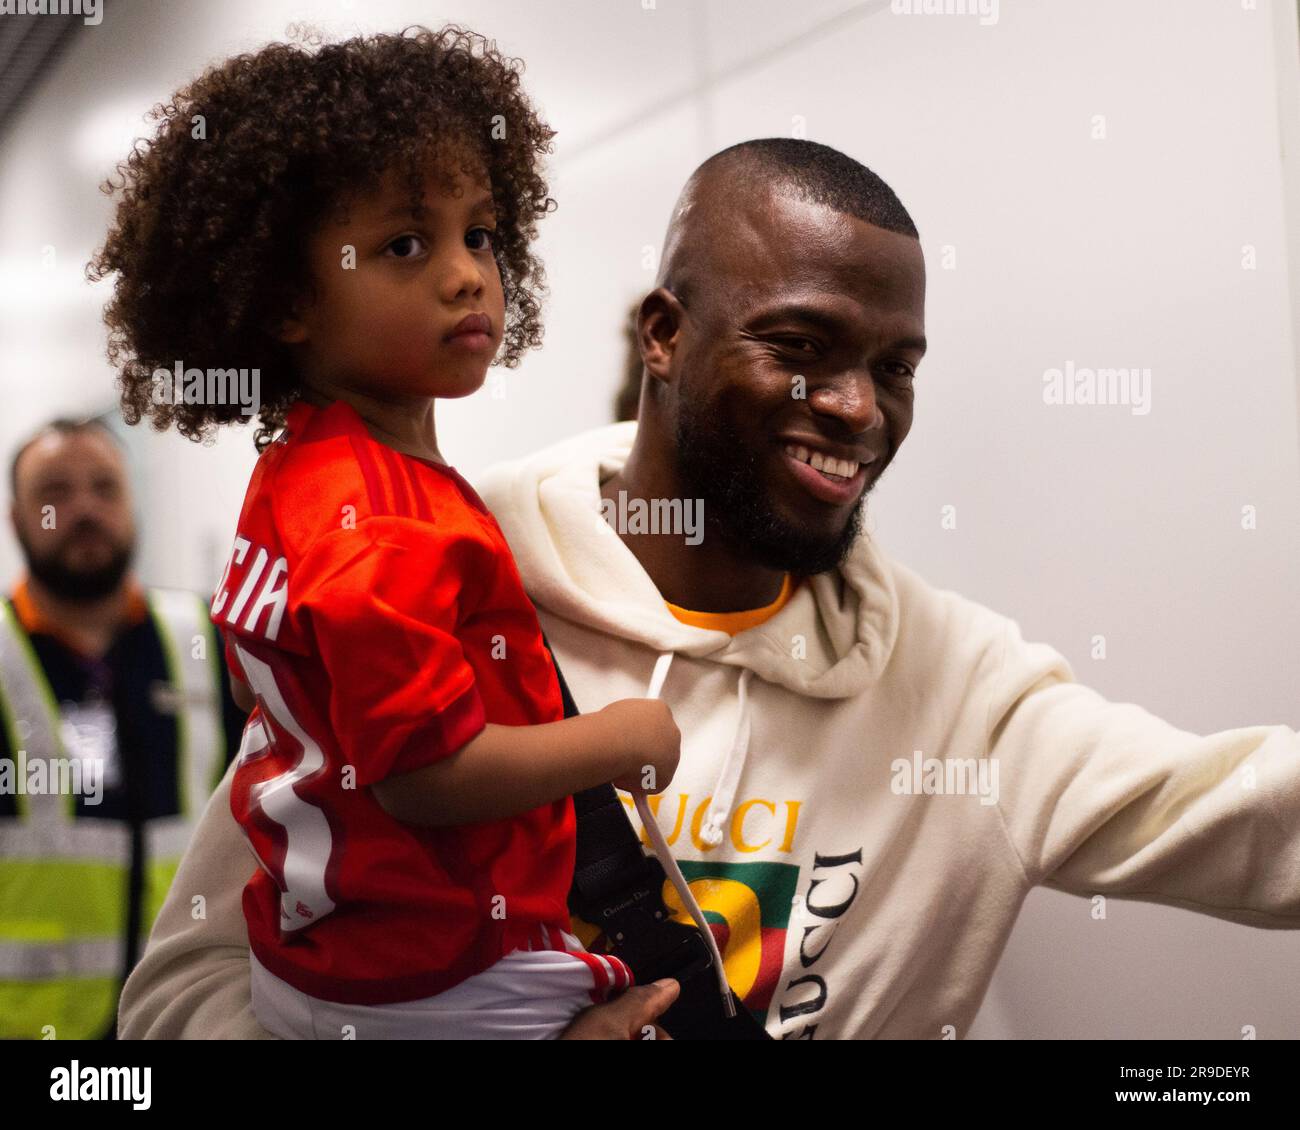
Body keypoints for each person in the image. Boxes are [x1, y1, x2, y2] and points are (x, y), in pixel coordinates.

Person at [119, 136, 1300, 1042]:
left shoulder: (963, 700)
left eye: (893, 368)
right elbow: (183, 987)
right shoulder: (437, 578)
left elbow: (1251, 818)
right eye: (799, 346)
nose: (856, 406)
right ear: (664, 334)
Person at [89, 26, 686, 1040]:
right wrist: (615, 740)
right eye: (406, 244)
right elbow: (421, 776)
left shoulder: (299, 474)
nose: (465, 275)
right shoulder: (379, 519)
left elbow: (273, 687)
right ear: (283, 301)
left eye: (481, 234)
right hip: (440, 983)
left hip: (328, 958)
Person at [0, 418, 245, 1039]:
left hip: (184, 1016)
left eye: (104, 488)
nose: (83, 508)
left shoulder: (208, 642)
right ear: (16, 518)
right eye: (54, 492)